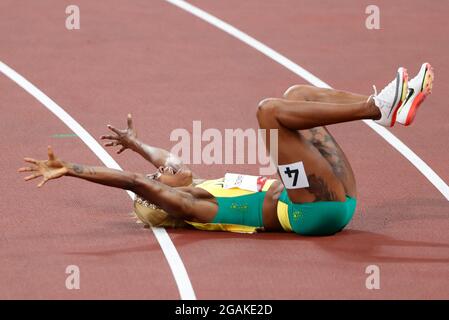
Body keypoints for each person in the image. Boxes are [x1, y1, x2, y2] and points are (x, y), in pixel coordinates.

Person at [18, 63, 434, 236]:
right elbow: (132, 181)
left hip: (328, 197)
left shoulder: (198, 181)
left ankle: (381, 111)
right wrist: (71, 168)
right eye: (155, 183)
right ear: (165, 200)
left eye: (154, 174)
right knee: (268, 112)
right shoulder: (194, 204)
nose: (158, 171)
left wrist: (137, 145)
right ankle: (375, 107)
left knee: (298, 93)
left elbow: (168, 163)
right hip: (310, 212)